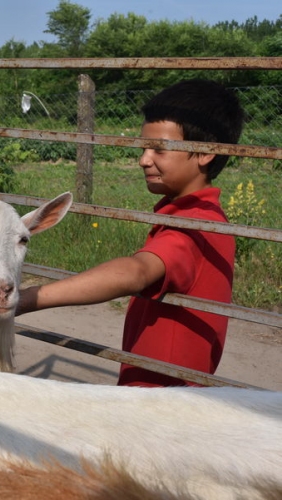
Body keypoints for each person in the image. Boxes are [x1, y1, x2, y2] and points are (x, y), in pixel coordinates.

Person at [16, 79, 246, 387]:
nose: (143, 160)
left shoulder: (196, 227)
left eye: (159, 149)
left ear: (205, 153)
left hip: (160, 403)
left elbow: (136, 272)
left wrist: (26, 300)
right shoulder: (191, 216)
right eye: (143, 147)